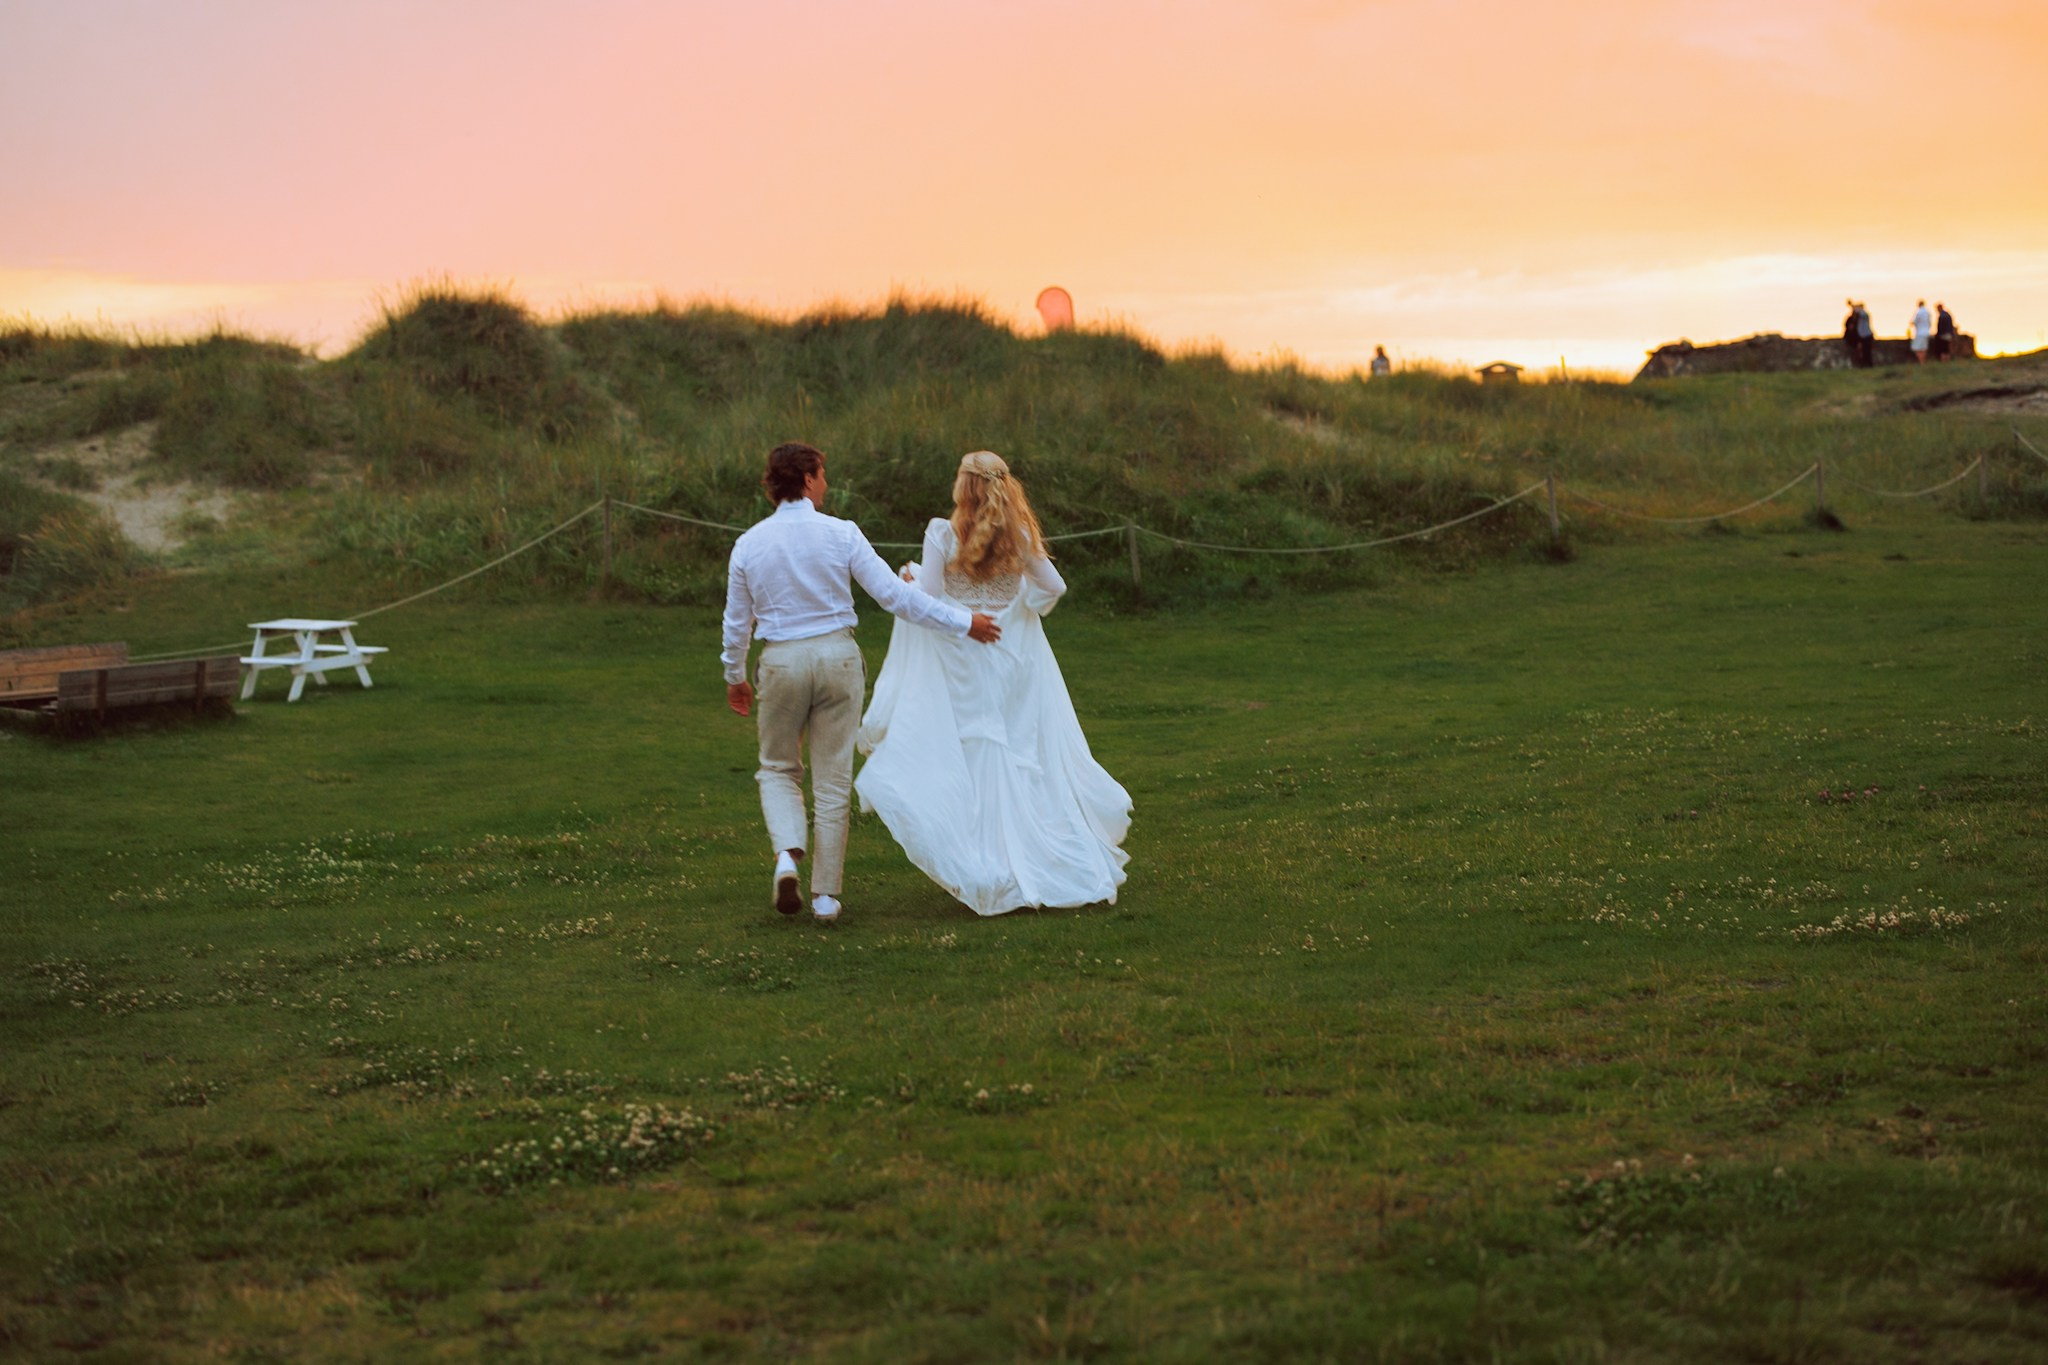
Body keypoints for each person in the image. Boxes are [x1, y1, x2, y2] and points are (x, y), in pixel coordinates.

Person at [722, 441, 1002, 923]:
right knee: (832, 780)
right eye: (823, 474)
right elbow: (896, 597)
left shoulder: (749, 544)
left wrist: (734, 676)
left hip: (782, 663)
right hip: (838, 658)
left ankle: (787, 855)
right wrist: (963, 622)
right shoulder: (842, 534)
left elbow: (735, 622)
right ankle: (826, 897)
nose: (827, 484)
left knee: (777, 768)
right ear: (807, 479)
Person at [855, 451, 1131, 916]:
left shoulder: (941, 534)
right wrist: (1024, 605)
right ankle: (1035, 859)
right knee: (1018, 752)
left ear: (964, 487)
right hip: (1010, 660)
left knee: (975, 752)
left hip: (962, 661)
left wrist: (910, 577)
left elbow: (930, 602)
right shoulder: (1020, 536)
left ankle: (988, 864)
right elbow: (1055, 587)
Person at [1910, 299, 1932, 364]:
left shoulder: (1918, 312)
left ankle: (1921, 361)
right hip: (1926, 332)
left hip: (1919, 333)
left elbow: (1914, 322)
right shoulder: (1927, 312)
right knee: (1924, 348)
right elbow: (1930, 322)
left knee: (1917, 348)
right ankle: (1923, 361)